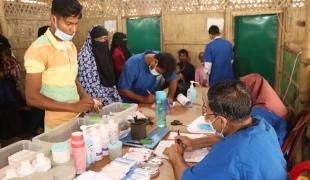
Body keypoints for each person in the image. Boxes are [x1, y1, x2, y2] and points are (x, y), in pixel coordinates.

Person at [164, 80, 288, 180]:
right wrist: (195, 142)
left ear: (222, 121)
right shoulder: (261, 124)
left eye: (207, 114)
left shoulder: (231, 152)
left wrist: (176, 156)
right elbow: (228, 139)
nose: (206, 118)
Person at [24, 0, 97, 132]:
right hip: (56, 126)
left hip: (77, 119)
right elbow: (32, 97)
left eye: (76, 24)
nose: (73, 30)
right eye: (68, 23)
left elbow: (71, 77)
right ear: (53, 19)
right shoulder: (38, 50)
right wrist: (73, 107)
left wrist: (84, 96)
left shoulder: (70, 46)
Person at [78, 25, 121, 105]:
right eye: (101, 39)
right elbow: (89, 86)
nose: (104, 42)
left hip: (109, 93)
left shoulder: (105, 53)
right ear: (92, 40)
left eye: (106, 39)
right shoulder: (85, 57)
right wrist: (105, 101)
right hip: (95, 99)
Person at [0, 34, 23, 139]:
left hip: (7, 85)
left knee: (9, 105)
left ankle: (11, 133)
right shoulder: (11, 60)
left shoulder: (8, 60)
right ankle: (11, 133)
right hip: (8, 86)